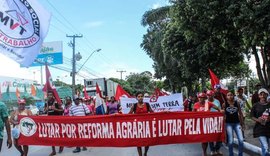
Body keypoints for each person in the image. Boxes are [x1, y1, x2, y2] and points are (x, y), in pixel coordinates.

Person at [129, 92, 154, 156]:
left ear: (143, 97)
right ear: (136, 98)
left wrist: (165, 113)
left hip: (146, 126)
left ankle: (145, 153)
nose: (140, 98)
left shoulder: (147, 105)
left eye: (141, 96)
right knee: (138, 143)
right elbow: (128, 115)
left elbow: (153, 114)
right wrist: (117, 115)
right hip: (137, 127)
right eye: (139, 96)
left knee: (147, 142)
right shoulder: (134, 106)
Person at [223, 91, 244, 156]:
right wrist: (224, 125)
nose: (230, 96)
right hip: (228, 124)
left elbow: (240, 113)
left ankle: (240, 154)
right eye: (228, 95)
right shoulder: (224, 104)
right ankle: (231, 154)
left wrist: (242, 124)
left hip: (237, 123)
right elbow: (223, 115)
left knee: (241, 140)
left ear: (233, 96)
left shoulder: (237, 103)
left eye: (231, 95)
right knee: (231, 141)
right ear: (226, 97)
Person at [250, 88, 270, 156]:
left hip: (268, 128)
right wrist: (258, 120)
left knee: (266, 147)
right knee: (265, 146)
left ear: (267, 95)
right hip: (259, 129)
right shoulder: (255, 105)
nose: (263, 96)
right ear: (259, 96)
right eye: (261, 94)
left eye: (264, 94)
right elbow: (252, 116)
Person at [44, 91, 64, 156]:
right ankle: (53, 151)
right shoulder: (46, 103)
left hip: (57, 120)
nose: (49, 96)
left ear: (53, 95)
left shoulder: (57, 101)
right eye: (48, 95)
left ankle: (61, 145)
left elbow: (62, 110)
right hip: (50, 121)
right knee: (51, 135)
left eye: (51, 95)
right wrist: (46, 109)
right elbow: (45, 111)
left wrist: (56, 109)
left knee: (58, 134)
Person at [206, 90, 222, 155]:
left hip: (217, 120)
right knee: (210, 136)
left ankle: (217, 149)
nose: (209, 97)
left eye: (210, 95)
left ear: (213, 95)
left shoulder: (217, 101)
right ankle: (212, 150)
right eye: (208, 95)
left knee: (219, 135)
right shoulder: (205, 102)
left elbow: (220, 110)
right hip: (209, 121)